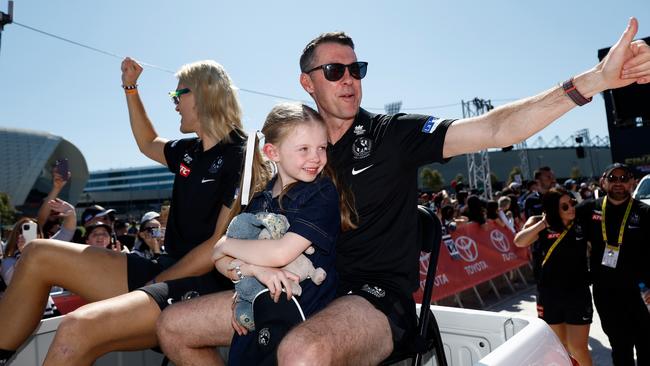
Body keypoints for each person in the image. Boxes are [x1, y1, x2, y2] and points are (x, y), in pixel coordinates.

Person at [272, 20, 649, 365]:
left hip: (377, 300)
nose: (350, 80)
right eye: (335, 71)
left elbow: (495, 129)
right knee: (211, 319)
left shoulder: (392, 135)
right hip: (308, 287)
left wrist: (594, 80)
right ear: (308, 83)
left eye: (357, 70)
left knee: (301, 352)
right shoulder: (299, 148)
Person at [0, 58, 246, 365]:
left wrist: (156, 282)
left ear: (203, 93)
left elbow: (216, 246)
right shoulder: (190, 151)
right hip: (165, 270)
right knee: (37, 253)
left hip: (204, 284)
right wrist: (130, 87)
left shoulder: (242, 156)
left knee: (77, 328)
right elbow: (147, 142)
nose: (174, 103)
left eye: (178, 95)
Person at [156, 102, 355, 365]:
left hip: (303, 314)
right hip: (258, 312)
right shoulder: (259, 200)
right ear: (272, 152)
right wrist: (254, 271)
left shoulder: (320, 194)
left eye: (321, 148)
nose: (316, 157)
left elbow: (281, 252)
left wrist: (227, 244)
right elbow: (220, 261)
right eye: (304, 149)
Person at [576, 163, 650, 365]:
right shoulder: (588, 209)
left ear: (632, 183)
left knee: (646, 343)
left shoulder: (644, 212)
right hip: (606, 291)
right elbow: (560, 223)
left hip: (641, 291)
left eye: (624, 178)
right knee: (620, 345)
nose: (618, 183)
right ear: (603, 182)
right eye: (613, 178)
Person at [514, 188, 592, 366]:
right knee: (558, 348)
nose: (571, 208)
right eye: (564, 206)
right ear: (553, 209)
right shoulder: (537, 222)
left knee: (578, 348)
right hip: (549, 295)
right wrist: (543, 223)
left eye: (572, 203)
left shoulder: (580, 222)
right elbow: (520, 241)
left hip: (578, 293)